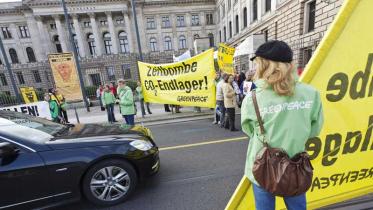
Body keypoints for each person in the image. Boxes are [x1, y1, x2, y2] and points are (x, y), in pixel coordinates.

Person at [241, 40, 324, 210]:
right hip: (296, 165)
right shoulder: (311, 94)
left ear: (265, 66)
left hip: (262, 166)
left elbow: (249, 130)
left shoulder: (253, 98)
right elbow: (314, 129)